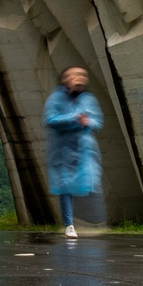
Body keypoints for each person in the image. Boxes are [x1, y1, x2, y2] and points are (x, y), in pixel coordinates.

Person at [43, 66, 102, 239]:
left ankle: (92, 220)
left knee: (88, 183)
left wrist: (87, 122)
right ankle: (69, 224)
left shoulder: (88, 99)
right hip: (62, 152)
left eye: (82, 75)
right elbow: (50, 119)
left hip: (83, 151)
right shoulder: (56, 98)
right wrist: (74, 118)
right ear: (65, 79)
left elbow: (97, 122)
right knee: (66, 187)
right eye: (74, 75)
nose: (78, 78)